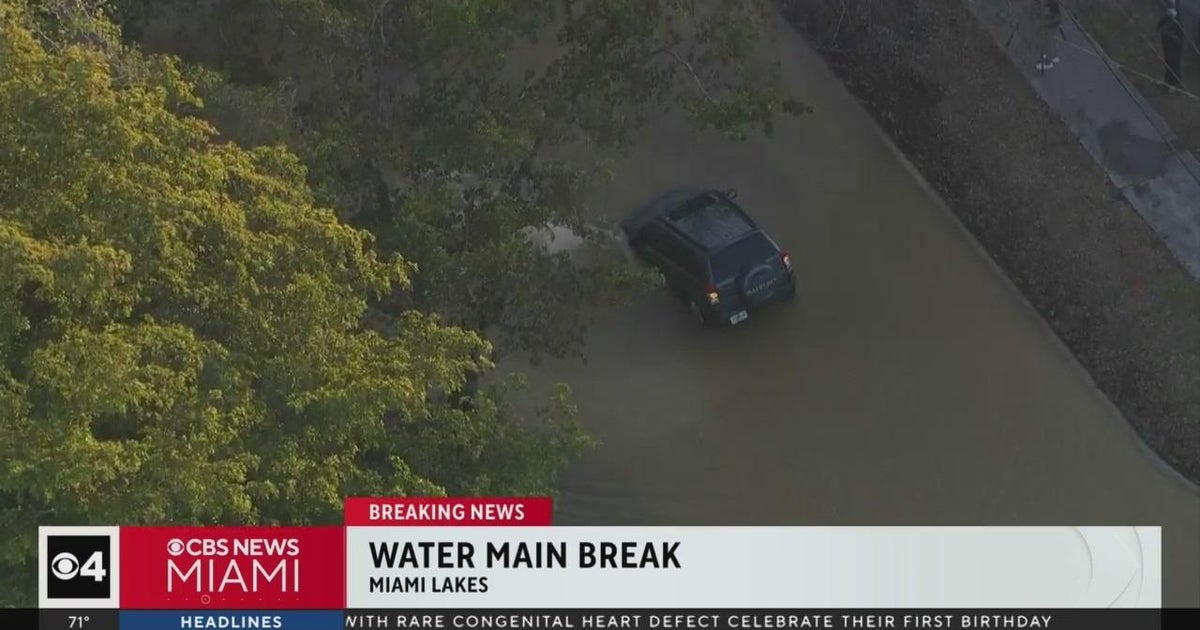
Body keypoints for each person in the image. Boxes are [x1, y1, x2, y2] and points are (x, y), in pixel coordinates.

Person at [1158, 7, 1185, 89]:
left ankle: (1176, 83)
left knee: (1175, 59)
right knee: (1168, 58)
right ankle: (1168, 81)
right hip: (1167, 35)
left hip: (1176, 36)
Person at [1036, 0, 1063, 72]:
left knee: (1048, 40)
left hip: (1052, 18)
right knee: (1052, 37)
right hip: (1055, 17)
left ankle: (1048, 62)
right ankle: (1053, 56)